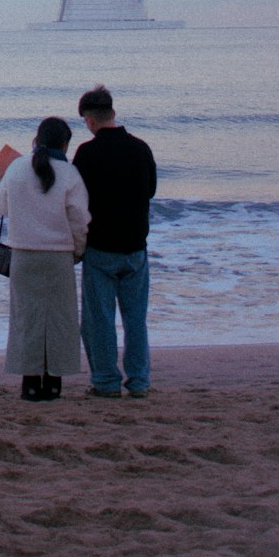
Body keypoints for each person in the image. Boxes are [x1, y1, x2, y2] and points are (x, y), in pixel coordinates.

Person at [0, 116, 90, 402]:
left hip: (23, 254)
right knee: (59, 320)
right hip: (59, 255)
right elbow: (80, 220)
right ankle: (53, 383)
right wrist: (78, 251)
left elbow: (2, 206)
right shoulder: (70, 173)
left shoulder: (17, 168)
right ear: (64, 144)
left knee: (27, 318)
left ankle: (30, 383)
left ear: (36, 140)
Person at [73, 84, 157, 399]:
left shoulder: (87, 153)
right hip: (135, 246)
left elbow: (76, 201)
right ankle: (138, 381)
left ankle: (107, 382)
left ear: (90, 120)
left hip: (101, 247)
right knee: (136, 319)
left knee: (100, 320)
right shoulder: (141, 148)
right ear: (114, 113)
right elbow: (150, 190)